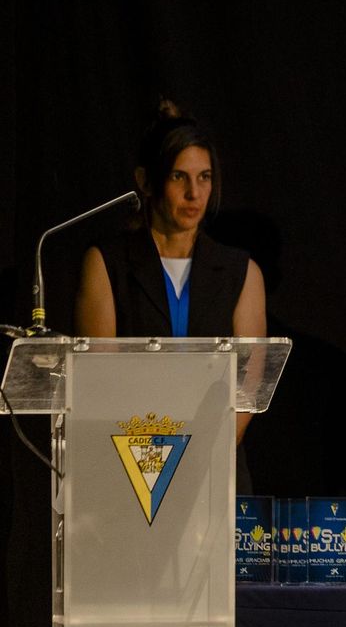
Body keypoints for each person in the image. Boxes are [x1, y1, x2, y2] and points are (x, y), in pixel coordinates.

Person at [76, 102, 268, 448]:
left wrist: (205, 454)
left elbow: (248, 389)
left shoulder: (241, 273)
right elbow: (99, 379)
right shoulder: (107, 263)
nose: (194, 193)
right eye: (179, 176)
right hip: (131, 461)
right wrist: (151, 458)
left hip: (215, 465)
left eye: (204, 177)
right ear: (146, 181)